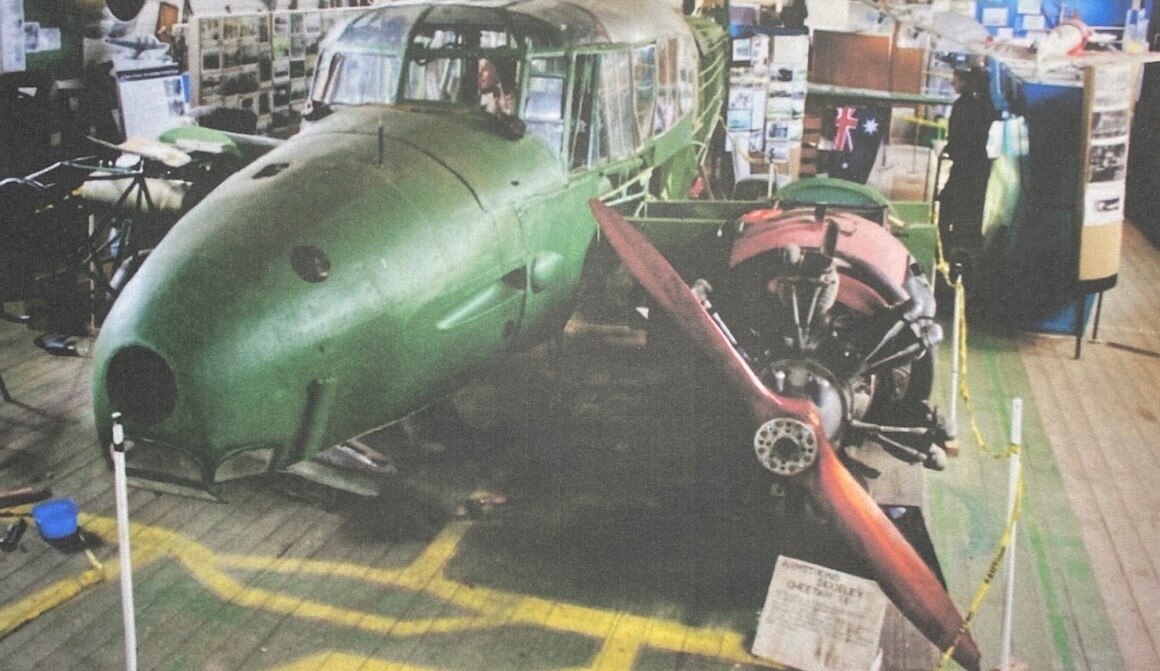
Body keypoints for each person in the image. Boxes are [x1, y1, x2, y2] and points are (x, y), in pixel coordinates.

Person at [937, 65, 996, 247]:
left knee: (950, 205)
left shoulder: (963, 105)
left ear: (966, 81)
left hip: (964, 167)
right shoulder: (985, 105)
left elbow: (959, 137)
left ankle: (947, 246)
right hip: (976, 166)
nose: (952, 82)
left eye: (956, 79)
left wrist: (951, 148)